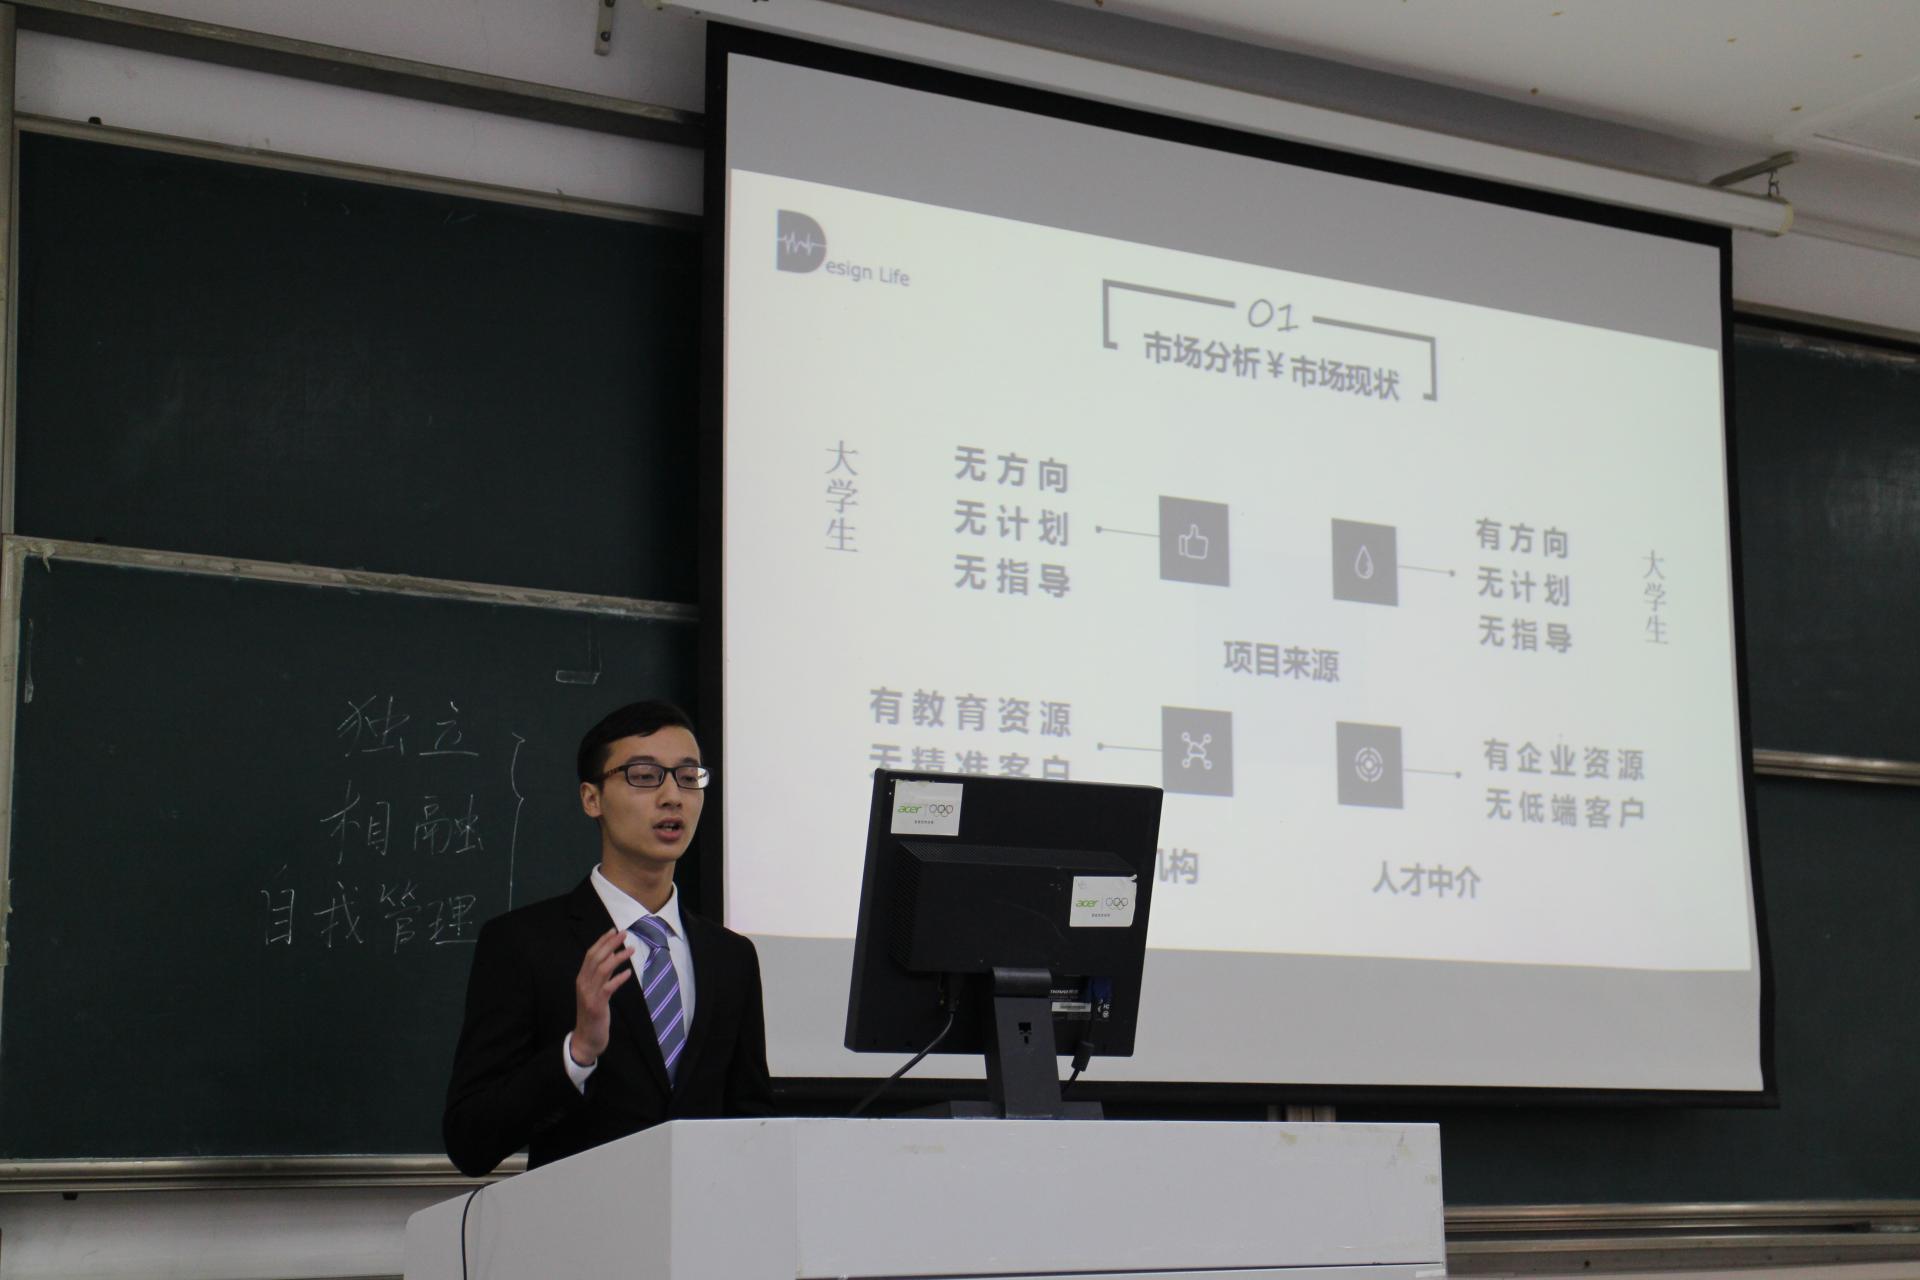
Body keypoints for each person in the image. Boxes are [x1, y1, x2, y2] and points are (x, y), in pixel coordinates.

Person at [443, 700, 771, 1176]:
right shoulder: (523, 944)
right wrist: (577, 1053)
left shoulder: (731, 958)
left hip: (703, 1217)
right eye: (644, 776)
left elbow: (751, 1124)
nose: (672, 797)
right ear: (591, 798)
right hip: (581, 1218)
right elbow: (469, 1141)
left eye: (688, 776)